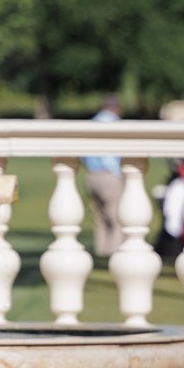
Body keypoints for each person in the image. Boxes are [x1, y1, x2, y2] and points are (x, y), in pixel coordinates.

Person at [84, 95, 125, 258]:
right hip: (108, 174)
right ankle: (113, 252)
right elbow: (109, 151)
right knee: (116, 218)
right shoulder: (112, 122)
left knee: (100, 218)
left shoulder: (93, 122)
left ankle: (101, 251)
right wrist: (113, 170)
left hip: (91, 175)